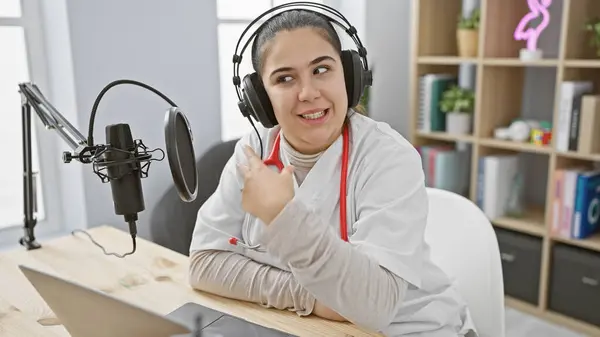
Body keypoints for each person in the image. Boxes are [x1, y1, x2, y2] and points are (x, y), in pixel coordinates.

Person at [188, 5, 478, 337]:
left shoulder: (388, 156)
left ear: (349, 75)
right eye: (285, 78)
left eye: (322, 69)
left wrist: (284, 217)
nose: (308, 93)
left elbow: (374, 305)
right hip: (313, 326)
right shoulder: (253, 153)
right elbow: (204, 263)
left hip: (418, 330)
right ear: (260, 99)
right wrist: (313, 298)